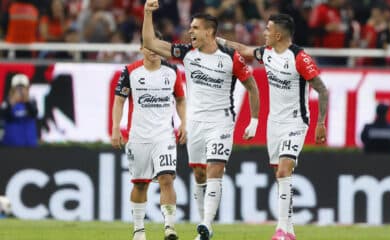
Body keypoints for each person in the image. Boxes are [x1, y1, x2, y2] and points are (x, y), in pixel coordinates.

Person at [142, 1, 260, 239]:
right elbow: (150, 43)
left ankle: (205, 224)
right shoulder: (187, 53)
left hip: (222, 121)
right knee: (199, 174)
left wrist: (254, 120)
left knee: (216, 168)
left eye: (194, 28)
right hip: (196, 122)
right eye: (190, 27)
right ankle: (205, 228)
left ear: (209, 31)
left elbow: (252, 86)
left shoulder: (231, 57)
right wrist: (147, 13)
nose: (190, 32)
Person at [217, 13, 328, 240]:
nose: (264, 33)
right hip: (273, 123)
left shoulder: (299, 58)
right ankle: (290, 232)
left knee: (284, 169)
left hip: (296, 121)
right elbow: (244, 50)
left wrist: (321, 123)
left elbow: (322, 89)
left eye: (267, 29)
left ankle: (280, 230)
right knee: (280, 175)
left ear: (278, 34)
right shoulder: (267, 53)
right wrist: (217, 41)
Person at [111, 31, 186, 240]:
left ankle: (170, 227)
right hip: (139, 136)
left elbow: (180, 99)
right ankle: (138, 230)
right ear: (141, 48)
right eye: (148, 46)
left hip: (164, 135)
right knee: (140, 184)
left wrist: (184, 124)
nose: (152, 51)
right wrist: (116, 128)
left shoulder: (172, 71)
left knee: (166, 178)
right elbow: (119, 100)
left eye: (156, 46)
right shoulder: (130, 71)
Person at [0, 73, 39, 147]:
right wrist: (12, 102)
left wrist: (26, 101)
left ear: (27, 89)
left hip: (30, 147)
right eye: (17, 88)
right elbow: (3, 115)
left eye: (23, 88)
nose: (20, 91)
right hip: (10, 147)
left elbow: (35, 113)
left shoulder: (32, 102)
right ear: (12, 89)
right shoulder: (6, 102)